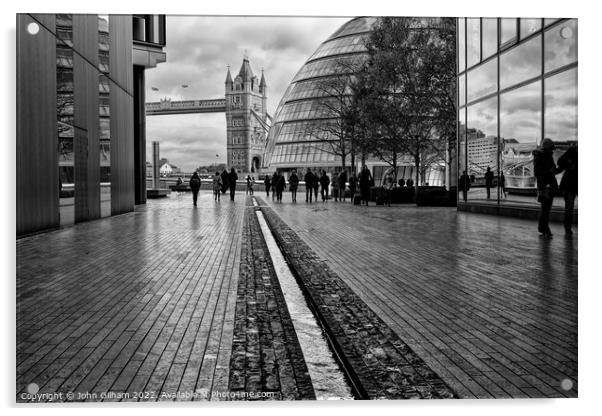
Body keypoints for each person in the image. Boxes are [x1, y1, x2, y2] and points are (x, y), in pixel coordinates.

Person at [533, 138, 558, 238]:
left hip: (546, 186)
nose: (552, 150)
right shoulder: (541, 157)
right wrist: (550, 172)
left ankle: (543, 228)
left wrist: (552, 170)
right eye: (551, 148)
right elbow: (537, 173)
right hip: (546, 187)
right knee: (545, 210)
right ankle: (545, 229)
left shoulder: (546, 156)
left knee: (545, 209)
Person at [556, 144, 578, 237]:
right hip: (570, 184)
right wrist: (570, 164)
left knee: (569, 207)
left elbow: (560, 162)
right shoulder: (573, 151)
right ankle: (567, 228)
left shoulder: (572, 151)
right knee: (569, 207)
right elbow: (561, 161)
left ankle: (568, 228)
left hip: (570, 183)